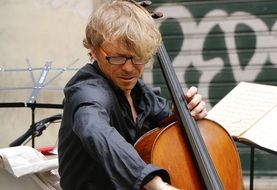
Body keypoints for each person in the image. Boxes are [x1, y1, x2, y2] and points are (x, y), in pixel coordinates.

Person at [58, 0, 207, 189]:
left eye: (137, 57)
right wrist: (156, 185)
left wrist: (184, 115)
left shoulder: (140, 94)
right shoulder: (87, 89)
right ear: (94, 51)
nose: (129, 68)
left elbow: (165, 122)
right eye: (117, 57)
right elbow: (92, 128)